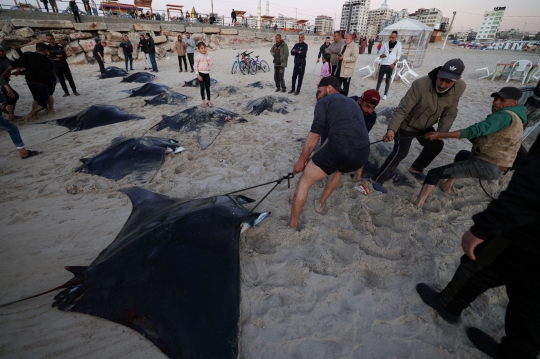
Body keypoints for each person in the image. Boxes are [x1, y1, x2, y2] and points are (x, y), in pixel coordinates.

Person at [416, 133, 540, 359]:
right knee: (533, 297)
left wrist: (485, 226)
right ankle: (517, 352)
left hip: (529, 232)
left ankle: (449, 305)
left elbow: (534, 183)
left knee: (481, 264)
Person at [412, 87, 526, 208]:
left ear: (514, 102)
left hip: (487, 165)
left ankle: (417, 204)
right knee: (462, 154)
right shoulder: (518, 118)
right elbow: (482, 138)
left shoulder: (503, 116)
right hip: (499, 167)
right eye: (496, 98)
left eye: (502, 100)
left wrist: (441, 135)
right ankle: (447, 186)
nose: (496, 102)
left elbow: (474, 130)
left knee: (434, 173)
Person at [369, 58, 467, 194]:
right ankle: (376, 179)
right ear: (439, 72)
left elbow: (450, 112)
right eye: (441, 79)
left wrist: (441, 133)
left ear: (458, 79)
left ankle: (416, 169)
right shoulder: (420, 84)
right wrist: (392, 129)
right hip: (407, 123)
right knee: (400, 152)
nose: (443, 85)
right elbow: (402, 109)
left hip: (426, 125)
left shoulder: (461, 87)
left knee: (437, 145)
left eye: (448, 82)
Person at [287, 76, 370, 229]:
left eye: (319, 91)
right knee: (336, 169)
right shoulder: (352, 102)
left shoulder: (324, 102)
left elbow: (315, 134)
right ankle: (320, 204)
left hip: (339, 148)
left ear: (329, 88)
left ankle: (292, 225)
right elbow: (336, 135)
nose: (318, 96)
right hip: (362, 154)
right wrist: (317, 154)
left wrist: (301, 161)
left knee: (304, 183)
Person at [2, 43, 53, 122]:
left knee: (36, 99)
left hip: (30, 81)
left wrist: (6, 71)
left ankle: (35, 116)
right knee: (42, 103)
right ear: (45, 50)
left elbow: (16, 64)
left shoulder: (28, 54)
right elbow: (46, 74)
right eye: (48, 52)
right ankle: (29, 116)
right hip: (41, 83)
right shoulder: (48, 61)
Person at [349, 89, 381, 182]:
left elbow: (362, 134)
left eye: (373, 108)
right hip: (334, 130)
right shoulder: (348, 104)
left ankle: (358, 179)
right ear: (360, 101)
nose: (369, 111)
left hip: (353, 136)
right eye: (367, 106)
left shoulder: (371, 116)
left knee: (364, 146)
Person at [376, 31, 402, 100]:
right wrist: (382, 56)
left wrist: (394, 64)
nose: (391, 38)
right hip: (384, 63)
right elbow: (380, 53)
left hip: (391, 64)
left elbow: (398, 56)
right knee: (379, 79)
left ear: (396, 37)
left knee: (388, 80)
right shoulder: (386, 44)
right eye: (390, 37)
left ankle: (385, 94)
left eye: (393, 37)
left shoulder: (398, 44)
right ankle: (376, 93)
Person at [0, 48, 19, 120]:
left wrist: (17, 69)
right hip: (2, 83)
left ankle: (3, 107)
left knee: (10, 96)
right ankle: (11, 116)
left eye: (3, 51)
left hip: (5, 82)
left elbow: (15, 63)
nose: (2, 53)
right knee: (13, 96)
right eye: (0, 52)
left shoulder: (5, 59)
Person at [194, 42, 213, 108]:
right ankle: (203, 101)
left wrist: (207, 56)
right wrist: (197, 75)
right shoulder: (198, 57)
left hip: (207, 74)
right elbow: (195, 66)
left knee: (208, 88)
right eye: (201, 48)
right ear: (199, 49)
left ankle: (209, 100)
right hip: (201, 74)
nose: (203, 49)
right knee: (202, 88)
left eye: (204, 48)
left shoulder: (208, 56)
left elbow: (211, 63)